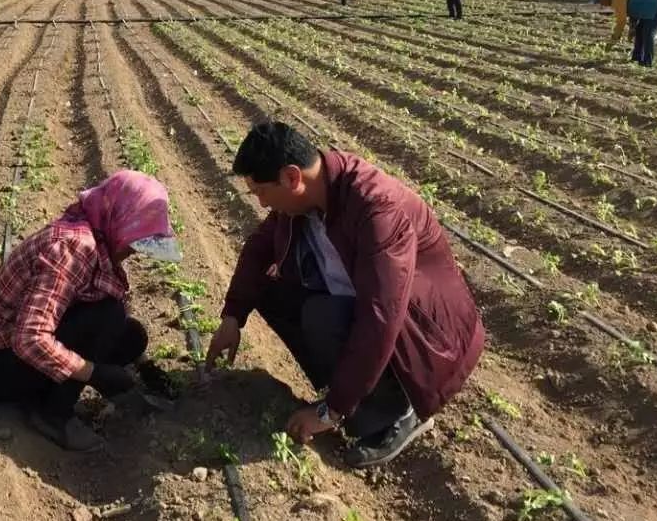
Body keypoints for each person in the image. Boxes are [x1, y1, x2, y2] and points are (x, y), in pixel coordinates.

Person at [204, 121, 486, 468]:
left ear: (292, 178)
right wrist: (232, 317)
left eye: (261, 191)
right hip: (364, 302)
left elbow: (380, 317)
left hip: (424, 332)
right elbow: (258, 249)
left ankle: (400, 410)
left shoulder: (376, 209)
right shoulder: (307, 197)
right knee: (272, 293)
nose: (261, 203)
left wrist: (330, 411)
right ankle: (353, 390)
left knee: (324, 317)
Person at [0, 170, 182, 451]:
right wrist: (94, 373)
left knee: (130, 336)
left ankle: (57, 388)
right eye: (136, 241)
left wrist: (145, 367)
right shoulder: (75, 248)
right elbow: (29, 339)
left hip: (14, 352)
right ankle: (54, 414)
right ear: (120, 218)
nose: (135, 252)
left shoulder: (96, 232)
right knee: (108, 316)